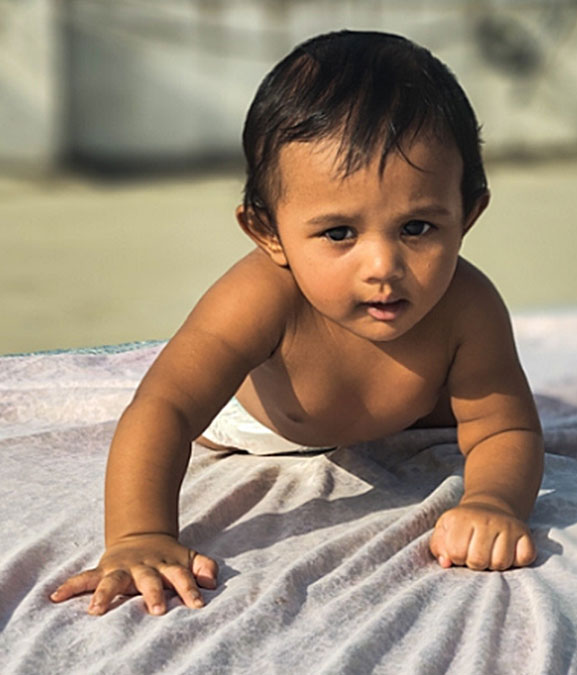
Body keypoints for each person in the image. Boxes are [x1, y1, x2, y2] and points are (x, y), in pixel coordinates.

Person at [49, 30, 544, 617]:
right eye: (339, 233)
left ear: (468, 214)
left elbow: (504, 430)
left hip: (397, 414)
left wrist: (492, 501)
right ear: (267, 232)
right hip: (263, 425)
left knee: (467, 396)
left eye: (418, 228)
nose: (384, 267)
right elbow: (166, 408)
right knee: (189, 375)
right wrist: (139, 535)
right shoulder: (261, 297)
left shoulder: (468, 304)